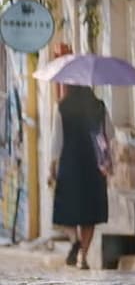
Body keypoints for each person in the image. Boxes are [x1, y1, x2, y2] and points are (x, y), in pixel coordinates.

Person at [47, 85, 111, 269]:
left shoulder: (62, 107)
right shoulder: (99, 106)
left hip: (70, 165)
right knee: (89, 215)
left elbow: (56, 142)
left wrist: (52, 168)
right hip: (93, 166)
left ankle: (74, 240)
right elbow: (109, 134)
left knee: (64, 209)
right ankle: (83, 257)